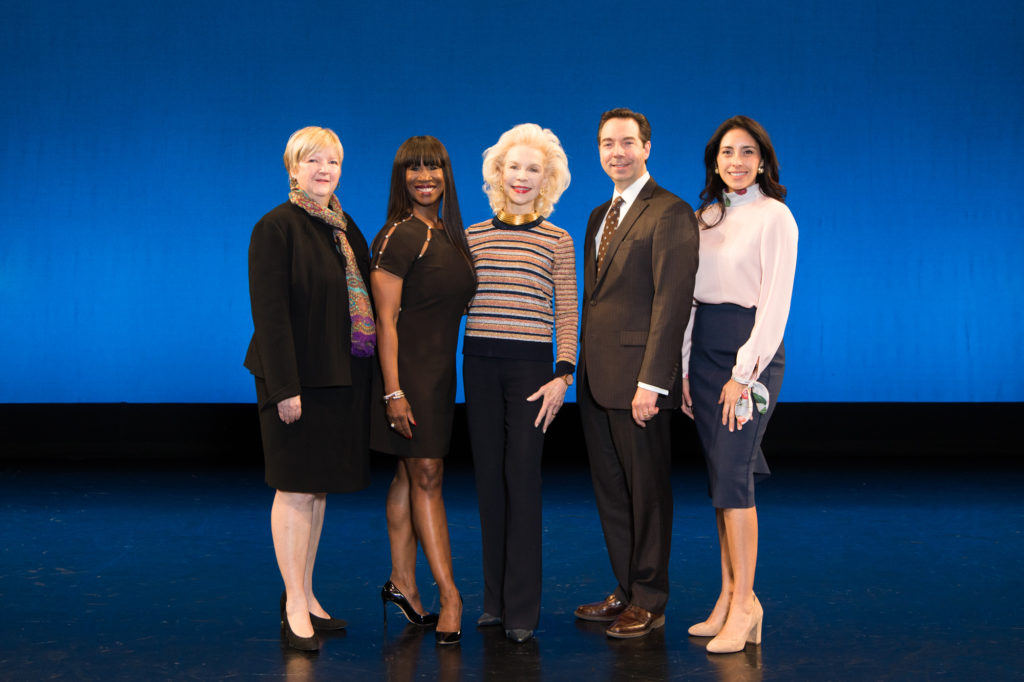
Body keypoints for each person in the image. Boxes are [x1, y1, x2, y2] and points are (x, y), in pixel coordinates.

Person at [244, 126, 376, 651]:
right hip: (296, 381)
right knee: (295, 487)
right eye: (313, 161)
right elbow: (270, 316)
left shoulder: (344, 228)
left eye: (333, 162)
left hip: (339, 380)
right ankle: (293, 602)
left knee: (317, 490)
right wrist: (284, 388)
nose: (325, 170)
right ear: (292, 168)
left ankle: (306, 592)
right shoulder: (275, 227)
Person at [574, 108, 699, 638]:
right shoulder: (599, 214)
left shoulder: (670, 211)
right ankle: (626, 589)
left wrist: (654, 382)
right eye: (607, 143)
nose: (616, 152)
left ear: (647, 147)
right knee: (613, 493)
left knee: (647, 495)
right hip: (597, 380)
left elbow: (672, 303)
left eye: (627, 142)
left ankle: (650, 598)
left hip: (639, 385)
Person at [680, 115, 798, 653]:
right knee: (720, 480)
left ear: (764, 161)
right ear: (715, 160)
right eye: (728, 152)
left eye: (747, 153)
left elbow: (774, 306)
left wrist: (742, 373)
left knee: (734, 477)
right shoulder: (703, 216)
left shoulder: (776, 217)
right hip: (703, 355)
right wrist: (684, 367)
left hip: (747, 354)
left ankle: (747, 605)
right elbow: (690, 299)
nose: (737, 162)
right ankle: (728, 595)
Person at [463, 123, 576, 644]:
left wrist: (564, 373)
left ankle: (523, 611)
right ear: (498, 174)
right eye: (515, 167)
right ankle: (494, 602)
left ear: (547, 177)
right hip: (479, 363)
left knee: (522, 480)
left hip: (532, 369)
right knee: (489, 480)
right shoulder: (472, 237)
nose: (523, 177)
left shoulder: (558, 239)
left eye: (534, 169)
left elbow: (569, 312)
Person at [370, 136, 476, 646]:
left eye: (433, 166)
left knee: (407, 475)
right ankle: (450, 595)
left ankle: (402, 583)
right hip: (406, 375)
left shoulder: (447, 233)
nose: (424, 176)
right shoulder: (399, 235)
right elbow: (384, 322)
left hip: (438, 375)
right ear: (401, 178)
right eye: (413, 169)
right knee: (427, 475)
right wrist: (393, 392)